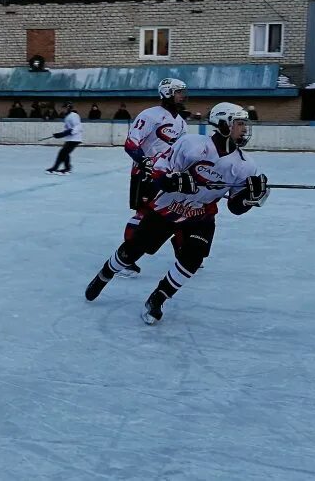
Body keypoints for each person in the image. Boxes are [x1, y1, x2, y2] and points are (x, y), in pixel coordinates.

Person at [83, 102, 269, 325]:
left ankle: (158, 298)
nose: (245, 129)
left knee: (193, 257)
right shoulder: (191, 144)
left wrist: (250, 198)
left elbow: (235, 207)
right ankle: (105, 274)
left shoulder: (246, 166)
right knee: (132, 251)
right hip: (167, 208)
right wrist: (172, 181)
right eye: (240, 123)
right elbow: (159, 172)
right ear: (223, 124)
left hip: (201, 216)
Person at [119, 78, 189, 277]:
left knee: (177, 212)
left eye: (183, 92)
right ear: (167, 93)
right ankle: (126, 258)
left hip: (168, 177)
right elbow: (131, 144)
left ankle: (184, 254)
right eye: (178, 92)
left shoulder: (181, 123)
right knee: (144, 215)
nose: (182, 96)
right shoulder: (149, 116)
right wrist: (144, 162)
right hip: (145, 175)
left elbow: (182, 152)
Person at [46, 101, 82, 174]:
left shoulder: (74, 115)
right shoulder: (67, 117)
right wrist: (60, 134)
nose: (63, 109)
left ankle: (60, 168)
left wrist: (68, 132)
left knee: (63, 153)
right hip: (70, 139)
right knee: (64, 153)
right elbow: (67, 128)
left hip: (75, 139)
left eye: (65, 108)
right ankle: (66, 168)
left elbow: (78, 126)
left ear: (69, 108)